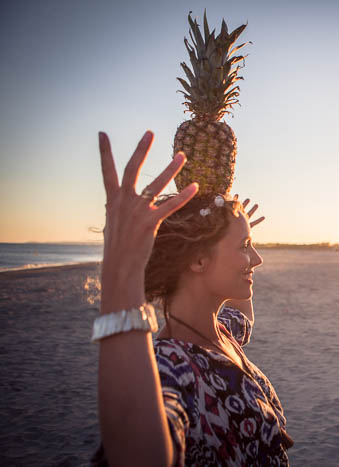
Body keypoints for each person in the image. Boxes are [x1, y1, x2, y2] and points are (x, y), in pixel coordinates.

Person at [92, 131, 293, 466]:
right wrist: (120, 272)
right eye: (245, 248)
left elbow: (244, 317)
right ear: (198, 260)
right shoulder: (170, 367)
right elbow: (140, 456)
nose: (257, 259)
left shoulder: (222, 333)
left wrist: (226, 216)